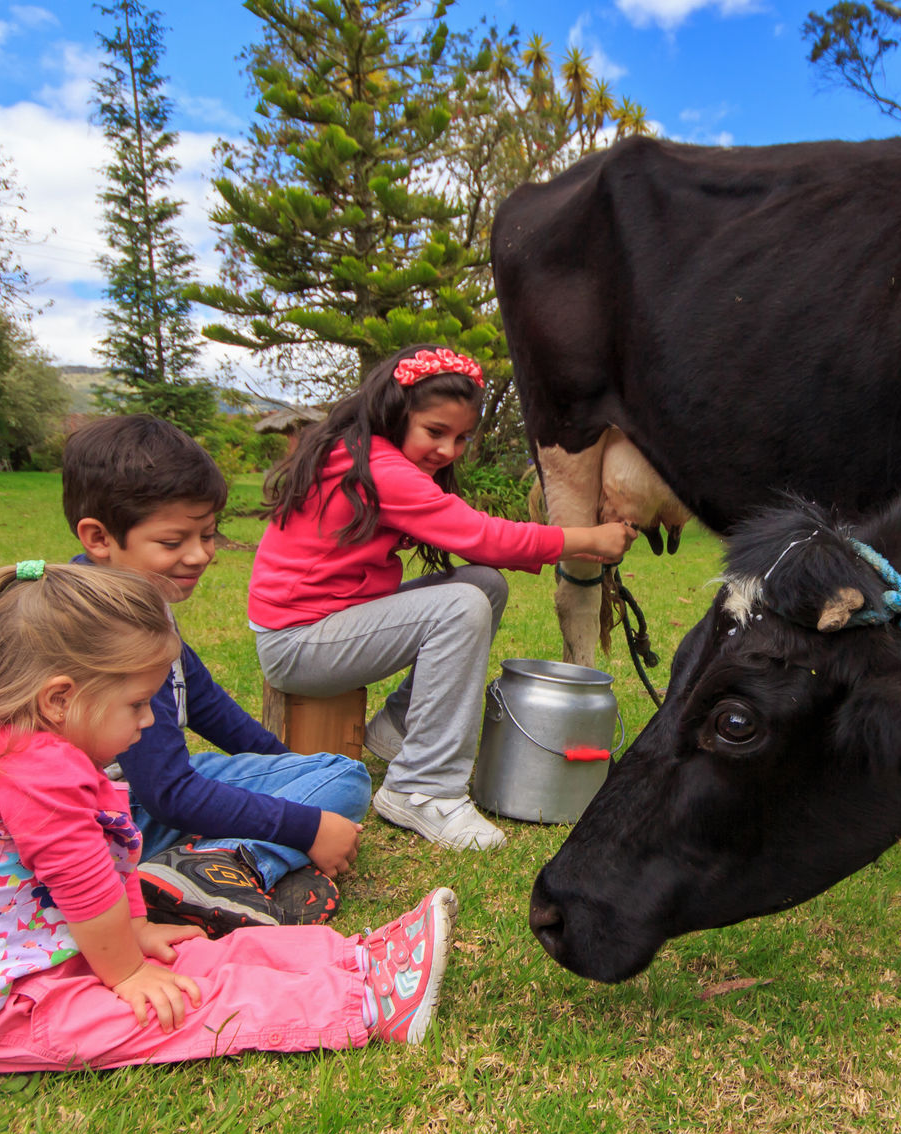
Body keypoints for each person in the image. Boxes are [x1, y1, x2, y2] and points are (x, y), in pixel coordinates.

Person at [0, 561, 458, 1072]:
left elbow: (107, 856)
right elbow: (82, 882)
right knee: (175, 1004)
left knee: (191, 953)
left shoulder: (33, 751)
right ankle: (364, 1003)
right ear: (58, 699)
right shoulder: (39, 775)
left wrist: (138, 934)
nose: (149, 721)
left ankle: (358, 957)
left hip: (47, 961)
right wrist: (125, 971)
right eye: (134, 705)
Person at [250, 345, 636, 851]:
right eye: (435, 432)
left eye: (460, 437)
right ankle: (422, 788)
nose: (449, 450)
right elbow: (482, 535)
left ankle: (398, 728)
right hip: (298, 644)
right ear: (394, 412)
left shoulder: (366, 455)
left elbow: (479, 548)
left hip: (329, 624)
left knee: (482, 583)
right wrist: (587, 539)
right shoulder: (380, 468)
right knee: (461, 604)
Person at [63, 415, 371, 934]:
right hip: (110, 816)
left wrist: (290, 771)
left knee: (328, 774)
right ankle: (223, 869)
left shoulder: (134, 597)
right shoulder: (109, 627)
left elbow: (207, 705)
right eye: (173, 541)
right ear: (99, 537)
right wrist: (306, 821)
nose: (200, 554)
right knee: (344, 782)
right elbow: (167, 792)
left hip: (132, 800)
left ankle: (197, 864)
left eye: (208, 534)